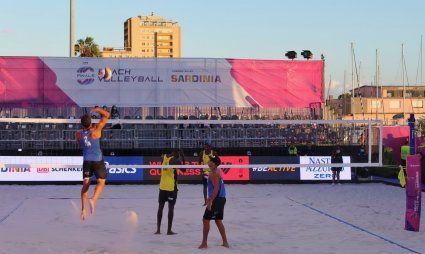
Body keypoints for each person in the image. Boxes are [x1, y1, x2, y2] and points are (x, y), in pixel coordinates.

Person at [75, 107, 110, 220]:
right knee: (101, 182)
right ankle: (93, 200)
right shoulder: (96, 130)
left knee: (86, 184)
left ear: (81, 124)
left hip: (87, 161)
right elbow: (107, 115)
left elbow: (81, 142)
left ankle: (83, 210)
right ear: (91, 122)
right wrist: (97, 109)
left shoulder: (78, 134)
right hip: (97, 160)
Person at [199, 155, 229, 249]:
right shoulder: (216, 172)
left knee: (205, 220)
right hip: (221, 198)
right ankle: (225, 242)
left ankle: (204, 243)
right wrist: (207, 176)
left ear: (214, 163)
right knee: (218, 220)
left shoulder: (214, 174)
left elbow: (216, 189)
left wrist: (210, 201)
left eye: (211, 160)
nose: (209, 161)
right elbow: (215, 181)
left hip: (216, 199)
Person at [155, 149, 184, 235]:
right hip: (171, 187)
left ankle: (158, 230)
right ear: (175, 153)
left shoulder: (164, 157)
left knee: (160, 207)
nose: (178, 156)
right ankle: (169, 230)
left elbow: (161, 170)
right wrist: (183, 158)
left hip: (162, 186)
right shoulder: (174, 160)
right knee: (171, 208)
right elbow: (184, 170)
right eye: (177, 154)